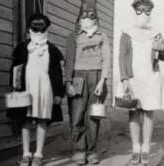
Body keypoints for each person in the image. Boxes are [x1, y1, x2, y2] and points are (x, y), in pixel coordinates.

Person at [9, 14, 64, 166]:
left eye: (42, 26)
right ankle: (26, 154)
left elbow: (57, 73)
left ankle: (38, 154)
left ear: (46, 28)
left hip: (45, 88)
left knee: (42, 120)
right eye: (35, 26)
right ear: (29, 28)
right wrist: (14, 89)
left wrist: (59, 93)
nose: (39, 29)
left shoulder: (52, 50)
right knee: (24, 120)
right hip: (26, 88)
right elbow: (14, 70)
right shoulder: (22, 48)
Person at [118, 0, 164, 164]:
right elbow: (122, 57)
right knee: (133, 112)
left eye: (147, 11)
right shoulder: (127, 33)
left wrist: (163, 50)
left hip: (150, 78)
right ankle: (135, 148)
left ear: (151, 13)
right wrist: (125, 79)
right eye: (140, 11)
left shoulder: (156, 33)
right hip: (133, 79)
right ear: (134, 12)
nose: (143, 15)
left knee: (148, 113)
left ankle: (146, 148)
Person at [64, 0, 111, 165]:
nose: (87, 19)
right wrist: (68, 82)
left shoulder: (102, 36)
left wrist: (102, 81)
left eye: (91, 16)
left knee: (93, 115)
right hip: (77, 76)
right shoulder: (73, 36)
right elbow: (69, 61)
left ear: (96, 18)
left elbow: (106, 59)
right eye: (83, 16)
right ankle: (79, 151)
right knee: (77, 116)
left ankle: (91, 151)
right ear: (79, 18)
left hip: (96, 77)